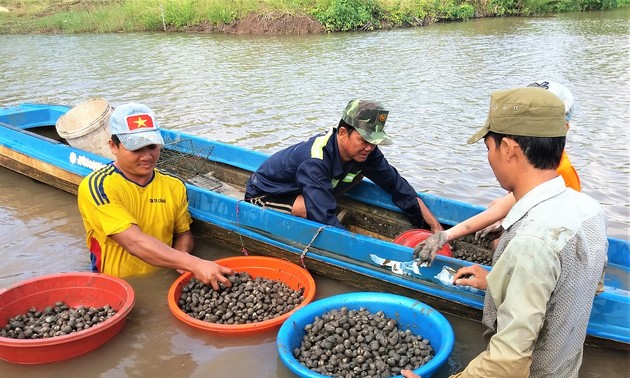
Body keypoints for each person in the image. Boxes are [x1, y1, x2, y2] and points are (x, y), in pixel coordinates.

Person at [405, 87, 608, 378]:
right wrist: (499, 281)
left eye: (489, 147)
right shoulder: (590, 210)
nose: (489, 158)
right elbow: (579, 286)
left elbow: (508, 363)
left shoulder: (531, 241)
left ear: (510, 148)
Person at [414, 80, 581, 266]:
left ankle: (498, 275)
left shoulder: (556, 171)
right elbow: (504, 205)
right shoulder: (542, 161)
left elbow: (503, 210)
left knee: (500, 221)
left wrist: (446, 234)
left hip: (552, 249)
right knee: (497, 208)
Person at [77, 102, 234, 290]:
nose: (147, 156)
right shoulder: (98, 187)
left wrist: (181, 258)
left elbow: (183, 234)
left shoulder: (174, 185)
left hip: (164, 274)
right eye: (136, 149)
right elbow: (133, 242)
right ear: (113, 146)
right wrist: (194, 264)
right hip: (114, 285)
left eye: (152, 146)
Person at [244, 99, 443, 232]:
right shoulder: (315, 160)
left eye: (374, 142)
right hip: (266, 193)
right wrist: (357, 245)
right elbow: (323, 217)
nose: (369, 148)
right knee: (313, 208)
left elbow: (397, 186)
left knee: (358, 176)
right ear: (342, 133)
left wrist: (433, 226)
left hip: (309, 186)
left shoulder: (368, 152)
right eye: (364, 140)